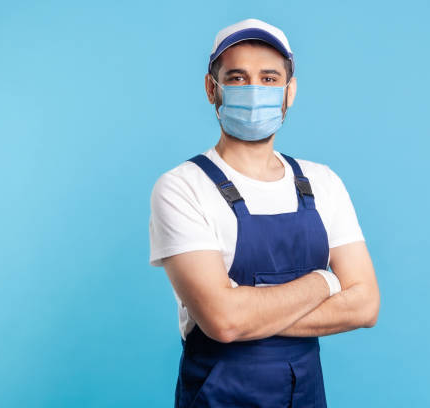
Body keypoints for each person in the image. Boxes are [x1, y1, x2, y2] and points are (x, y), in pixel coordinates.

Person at [148, 18, 380, 407]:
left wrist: (248, 310)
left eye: (269, 79)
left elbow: (366, 305)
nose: (255, 91)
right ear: (212, 88)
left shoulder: (323, 183)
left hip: (305, 396)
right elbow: (223, 320)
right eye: (238, 78)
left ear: (290, 92)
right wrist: (324, 282)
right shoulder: (182, 186)